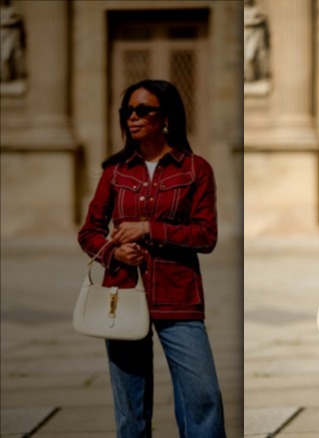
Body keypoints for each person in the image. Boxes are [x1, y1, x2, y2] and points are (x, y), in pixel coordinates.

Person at [78, 79, 226, 437]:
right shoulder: (115, 172)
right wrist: (115, 252)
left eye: (143, 110)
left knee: (203, 399)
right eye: (128, 111)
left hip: (180, 298)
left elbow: (206, 236)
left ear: (166, 118)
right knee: (131, 410)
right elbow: (89, 232)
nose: (134, 117)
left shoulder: (195, 169)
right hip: (124, 295)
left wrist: (148, 228)